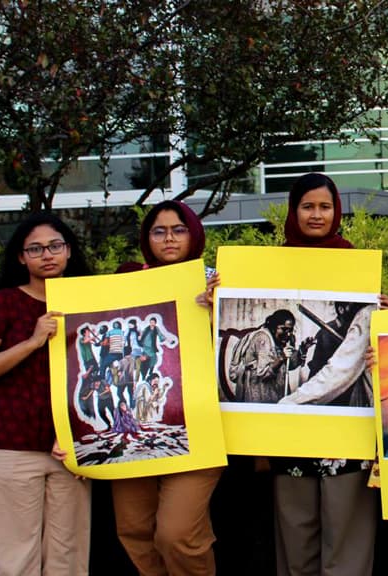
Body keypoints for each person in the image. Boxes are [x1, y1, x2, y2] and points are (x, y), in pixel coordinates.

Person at [261, 173, 386, 576]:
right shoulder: (267, 270)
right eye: (308, 206)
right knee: (296, 537)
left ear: (337, 213)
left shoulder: (357, 272)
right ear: (294, 212)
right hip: (291, 431)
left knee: (345, 545)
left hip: (343, 427)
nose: (316, 215)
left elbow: (344, 367)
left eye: (325, 206)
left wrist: (382, 313)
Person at [0, 211, 92, 575]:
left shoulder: (90, 300)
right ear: (21, 257)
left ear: (68, 250)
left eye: (55, 246)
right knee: (15, 558)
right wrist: (32, 341)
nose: (46, 254)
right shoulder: (6, 302)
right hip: (13, 446)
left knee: (68, 558)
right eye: (35, 249)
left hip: (72, 447)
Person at [111, 199, 225, 575]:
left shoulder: (217, 281)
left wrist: (216, 312)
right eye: (159, 231)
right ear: (147, 239)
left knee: (177, 534)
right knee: (134, 528)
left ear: (194, 233)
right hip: (134, 425)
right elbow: (107, 344)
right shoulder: (125, 280)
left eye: (179, 229)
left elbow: (236, 350)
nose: (169, 238)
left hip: (198, 423)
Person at [229, 309, 306, 403]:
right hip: (258, 392)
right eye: (284, 329)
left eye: (290, 330)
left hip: (273, 391)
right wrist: (281, 357)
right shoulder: (262, 339)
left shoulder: (281, 338)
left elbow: (289, 365)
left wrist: (303, 349)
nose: (288, 333)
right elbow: (264, 374)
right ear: (274, 327)